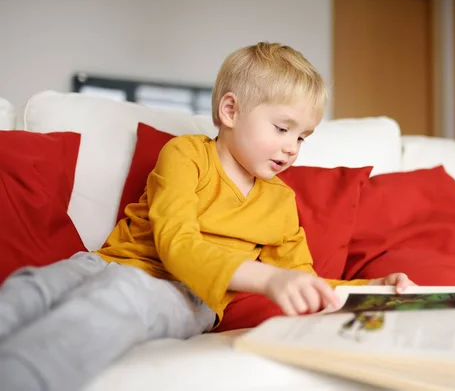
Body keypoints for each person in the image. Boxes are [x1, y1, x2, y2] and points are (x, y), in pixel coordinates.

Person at [0, 42, 413, 391]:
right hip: (105, 262)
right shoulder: (185, 154)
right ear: (230, 111)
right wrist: (266, 277)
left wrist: (370, 288)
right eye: (283, 128)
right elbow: (176, 243)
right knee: (34, 288)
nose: (292, 148)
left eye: (302, 137)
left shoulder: (280, 202)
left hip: (184, 294)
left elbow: (305, 281)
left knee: (119, 302)